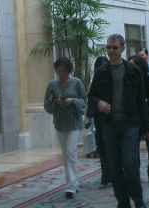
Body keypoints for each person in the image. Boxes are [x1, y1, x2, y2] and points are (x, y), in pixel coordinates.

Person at [88, 34, 149, 208]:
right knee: (114, 166)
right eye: (108, 47)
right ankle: (122, 202)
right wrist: (99, 103)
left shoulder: (133, 71)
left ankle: (138, 200)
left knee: (130, 163)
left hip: (130, 124)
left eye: (115, 48)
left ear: (122, 48)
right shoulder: (101, 72)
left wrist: (147, 127)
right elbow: (91, 96)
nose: (111, 51)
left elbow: (141, 100)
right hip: (109, 125)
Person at [44, 57, 87, 199]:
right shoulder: (52, 84)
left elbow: (84, 101)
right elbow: (47, 105)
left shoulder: (77, 82)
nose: (61, 74)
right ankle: (73, 181)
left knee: (70, 152)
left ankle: (71, 185)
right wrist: (55, 102)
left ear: (69, 70)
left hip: (74, 123)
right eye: (58, 71)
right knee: (66, 154)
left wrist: (72, 101)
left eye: (64, 71)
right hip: (59, 123)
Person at [130, 54, 149, 183]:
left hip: (148, 118)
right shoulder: (129, 81)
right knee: (132, 148)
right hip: (134, 119)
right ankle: (134, 173)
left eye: (133, 65)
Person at [87, 56, 110, 186]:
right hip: (100, 119)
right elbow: (91, 97)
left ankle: (112, 174)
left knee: (111, 148)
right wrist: (98, 103)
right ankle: (105, 175)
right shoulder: (95, 81)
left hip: (113, 119)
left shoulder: (114, 79)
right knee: (102, 147)